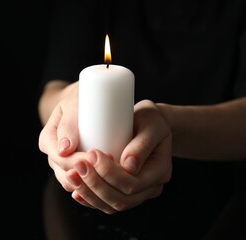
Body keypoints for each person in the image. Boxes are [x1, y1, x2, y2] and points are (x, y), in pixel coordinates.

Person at [37, 0, 246, 239]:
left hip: (219, 190)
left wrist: (167, 127)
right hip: (75, 200)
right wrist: (66, 107)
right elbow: (52, 92)